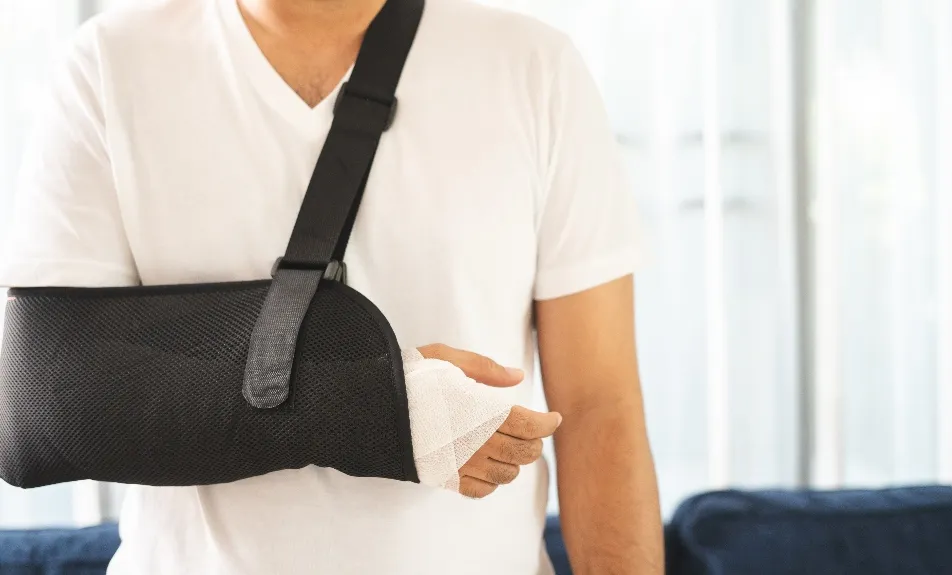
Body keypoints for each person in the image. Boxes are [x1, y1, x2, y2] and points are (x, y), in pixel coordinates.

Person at [0, 0, 662, 573]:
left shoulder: (534, 69)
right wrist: (369, 407)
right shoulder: (108, 67)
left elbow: (600, 404)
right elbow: (49, 398)